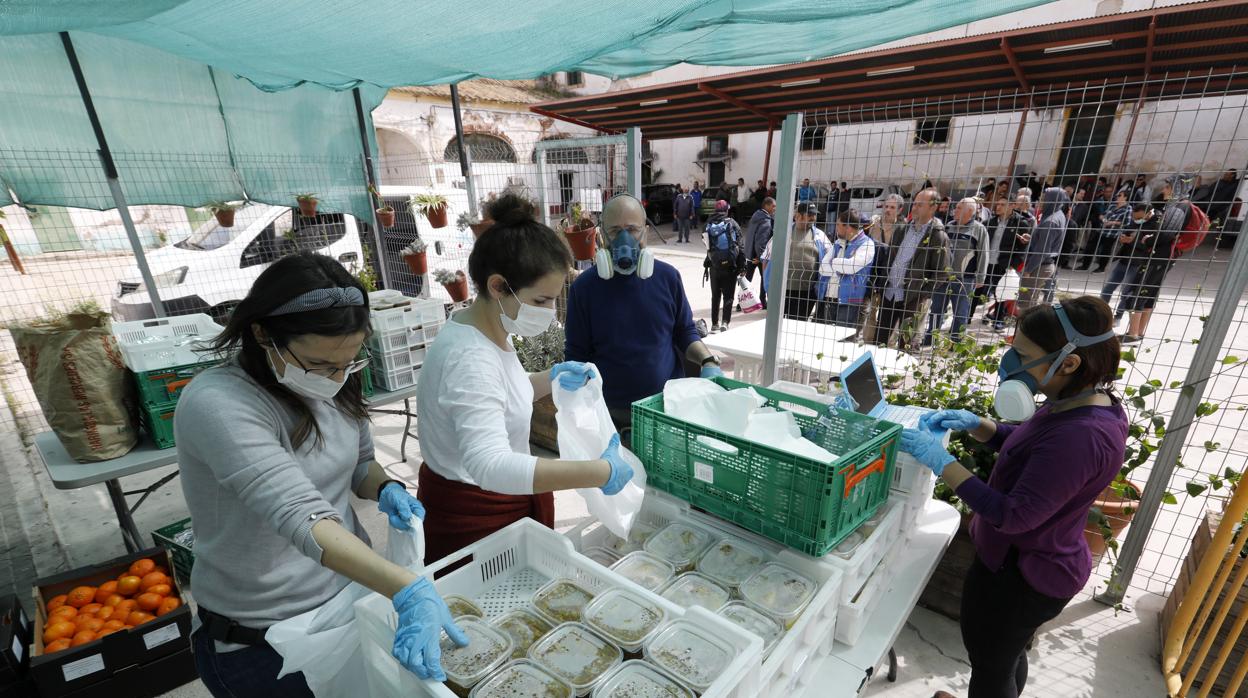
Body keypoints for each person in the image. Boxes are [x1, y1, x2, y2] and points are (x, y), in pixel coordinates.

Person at [176, 253, 468, 694]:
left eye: (348, 362)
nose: (336, 376)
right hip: (262, 634)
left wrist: (385, 485)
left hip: (346, 599)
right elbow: (300, 513)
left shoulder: (336, 375)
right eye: (321, 365)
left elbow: (361, 462)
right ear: (262, 335)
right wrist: (406, 588)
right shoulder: (218, 405)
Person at [903, 297, 1125, 698]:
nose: (1010, 363)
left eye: (1022, 354)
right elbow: (1032, 448)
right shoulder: (1076, 403)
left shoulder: (1082, 435)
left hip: (1024, 576)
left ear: (1070, 363)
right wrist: (980, 426)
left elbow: (1012, 515)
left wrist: (940, 460)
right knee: (1004, 656)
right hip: (1020, 562)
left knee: (991, 666)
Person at [416, 200, 634, 566]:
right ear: (499, 286)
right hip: (477, 518)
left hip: (492, 502)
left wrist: (548, 379)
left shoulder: (485, 328)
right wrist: (600, 471)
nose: (549, 314)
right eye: (541, 300)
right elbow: (490, 465)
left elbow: (499, 398)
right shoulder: (469, 358)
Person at [565, 194, 725, 435]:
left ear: (646, 232)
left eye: (632, 229)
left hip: (667, 408)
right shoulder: (584, 289)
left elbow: (685, 332)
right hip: (610, 417)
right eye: (615, 230)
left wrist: (708, 361)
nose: (624, 239)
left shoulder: (668, 277)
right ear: (601, 236)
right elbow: (576, 355)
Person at [870, 189, 950, 348]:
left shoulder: (937, 237)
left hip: (912, 299)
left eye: (920, 205)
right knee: (879, 341)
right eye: (914, 204)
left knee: (905, 345)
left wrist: (921, 294)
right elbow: (889, 258)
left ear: (933, 208)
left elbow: (942, 273)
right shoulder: (901, 229)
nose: (914, 208)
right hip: (890, 294)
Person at [1120, 174, 1192, 344]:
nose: (1164, 190)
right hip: (1163, 257)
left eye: (1168, 187)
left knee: (1137, 292)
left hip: (1157, 257)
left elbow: (1166, 234)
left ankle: (1132, 334)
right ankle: (1138, 332)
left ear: (1177, 189)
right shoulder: (1180, 206)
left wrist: (1148, 240)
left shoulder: (1179, 207)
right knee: (1149, 293)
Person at [927, 197, 989, 344]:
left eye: (960, 208)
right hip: (944, 277)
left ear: (970, 211)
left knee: (960, 312)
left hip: (965, 279)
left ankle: (956, 340)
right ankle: (931, 337)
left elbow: (984, 254)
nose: (955, 210)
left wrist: (980, 278)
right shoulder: (949, 226)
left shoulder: (979, 229)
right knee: (936, 309)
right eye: (956, 207)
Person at [763, 201, 831, 321]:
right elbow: (767, 259)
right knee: (777, 323)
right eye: (810, 215)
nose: (813, 218)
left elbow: (830, 259)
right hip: (782, 290)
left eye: (814, 215)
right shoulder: (782, 234)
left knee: (798, 325)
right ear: (798, 216)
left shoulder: (820, 236)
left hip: (806, 292)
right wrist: (769, 284)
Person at [978, 195, 1032, 330]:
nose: (998, 207)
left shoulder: (1021, 223)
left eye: (1002, 204)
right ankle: (968, 316)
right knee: (979, 289)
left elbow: (1023, 248)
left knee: (1000, 292)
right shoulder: (989, 222)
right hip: (986, 262)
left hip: (1003, 264)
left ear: (1012, 206)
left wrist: (1013, 265)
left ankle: (998, 319)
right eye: (998, 204)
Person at [859, 193, 907, 341]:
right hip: (873, 275)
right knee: (870, 313)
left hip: (891, 277)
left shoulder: (903, 228)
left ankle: (886, 345)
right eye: (886, 206)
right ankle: (867, 344)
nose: (887, 210)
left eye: (892, 207)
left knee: (889, 315)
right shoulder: (874, 223)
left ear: (899, 210)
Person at [820, 208, 875, 328]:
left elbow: (852, 267)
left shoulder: (867, 244)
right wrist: (842, 265)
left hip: (850, 301)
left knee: (843, 340)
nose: (836, 228)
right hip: (830, 297)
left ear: (848, 227)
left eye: (838, 225)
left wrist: (833, 262)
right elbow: (823, 268)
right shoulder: (838, 243)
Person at [1099, 202, 1153, 324]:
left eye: (1139, 218)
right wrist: (1122, 237)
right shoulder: (1134, 222)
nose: (1136, 220)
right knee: (1108, 288)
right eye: (1134, 217)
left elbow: (1149, 246)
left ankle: (1118, 317)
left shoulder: (1154, 225)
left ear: (1148, 214)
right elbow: (1127, 230)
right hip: (1124, 260)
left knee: (1126, 292)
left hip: (1137, 263)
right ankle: (1100, 312)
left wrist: (1132, 241)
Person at [1019, 187, 1069, 310]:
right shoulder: (1058, 214)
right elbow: (1047, 242)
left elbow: (1042, 251)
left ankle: (1023, 328)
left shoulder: (1050, 221)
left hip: (1038, 266)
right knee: (1032, 300)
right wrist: (1033, 239)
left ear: (1052, 201)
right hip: (1044, 264)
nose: (1039, 202)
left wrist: (1028, 270)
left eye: (1043, 199)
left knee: (1025, 303)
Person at [703, 200, 745, 333]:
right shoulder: (732, 223)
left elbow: (707, 246)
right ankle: (725, 322)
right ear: (726, 210)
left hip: (714, 266)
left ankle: (714, 324)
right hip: (730, 266)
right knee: (728, 296)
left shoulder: (708, 224)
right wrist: (743, 266)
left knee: (715, 296)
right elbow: (741, 246)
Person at [1079, 189, 1129, 272]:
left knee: (1105, 251)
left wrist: (1113, 222)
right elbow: (1103, 214)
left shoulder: (1128, 208)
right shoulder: (1113, 205)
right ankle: (1085, 265)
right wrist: (1103, 218)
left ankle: (1101, 268)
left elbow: (1126, 222)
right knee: (1090, 247)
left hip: (1112, 233)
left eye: (1120, 195)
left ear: (1125, 197)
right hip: (1102, 229)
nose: (1117, 197)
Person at [743, 197, 776, 310]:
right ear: (766, 206)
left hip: (749, 254)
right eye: (773, 206)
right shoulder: (765, 220)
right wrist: (761, 258)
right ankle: (763, 301)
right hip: (758, 255)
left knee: (747, 278)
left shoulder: (756, 215)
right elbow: (761, 241)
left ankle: (742, 302)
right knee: (765, 277)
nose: (774, 209)